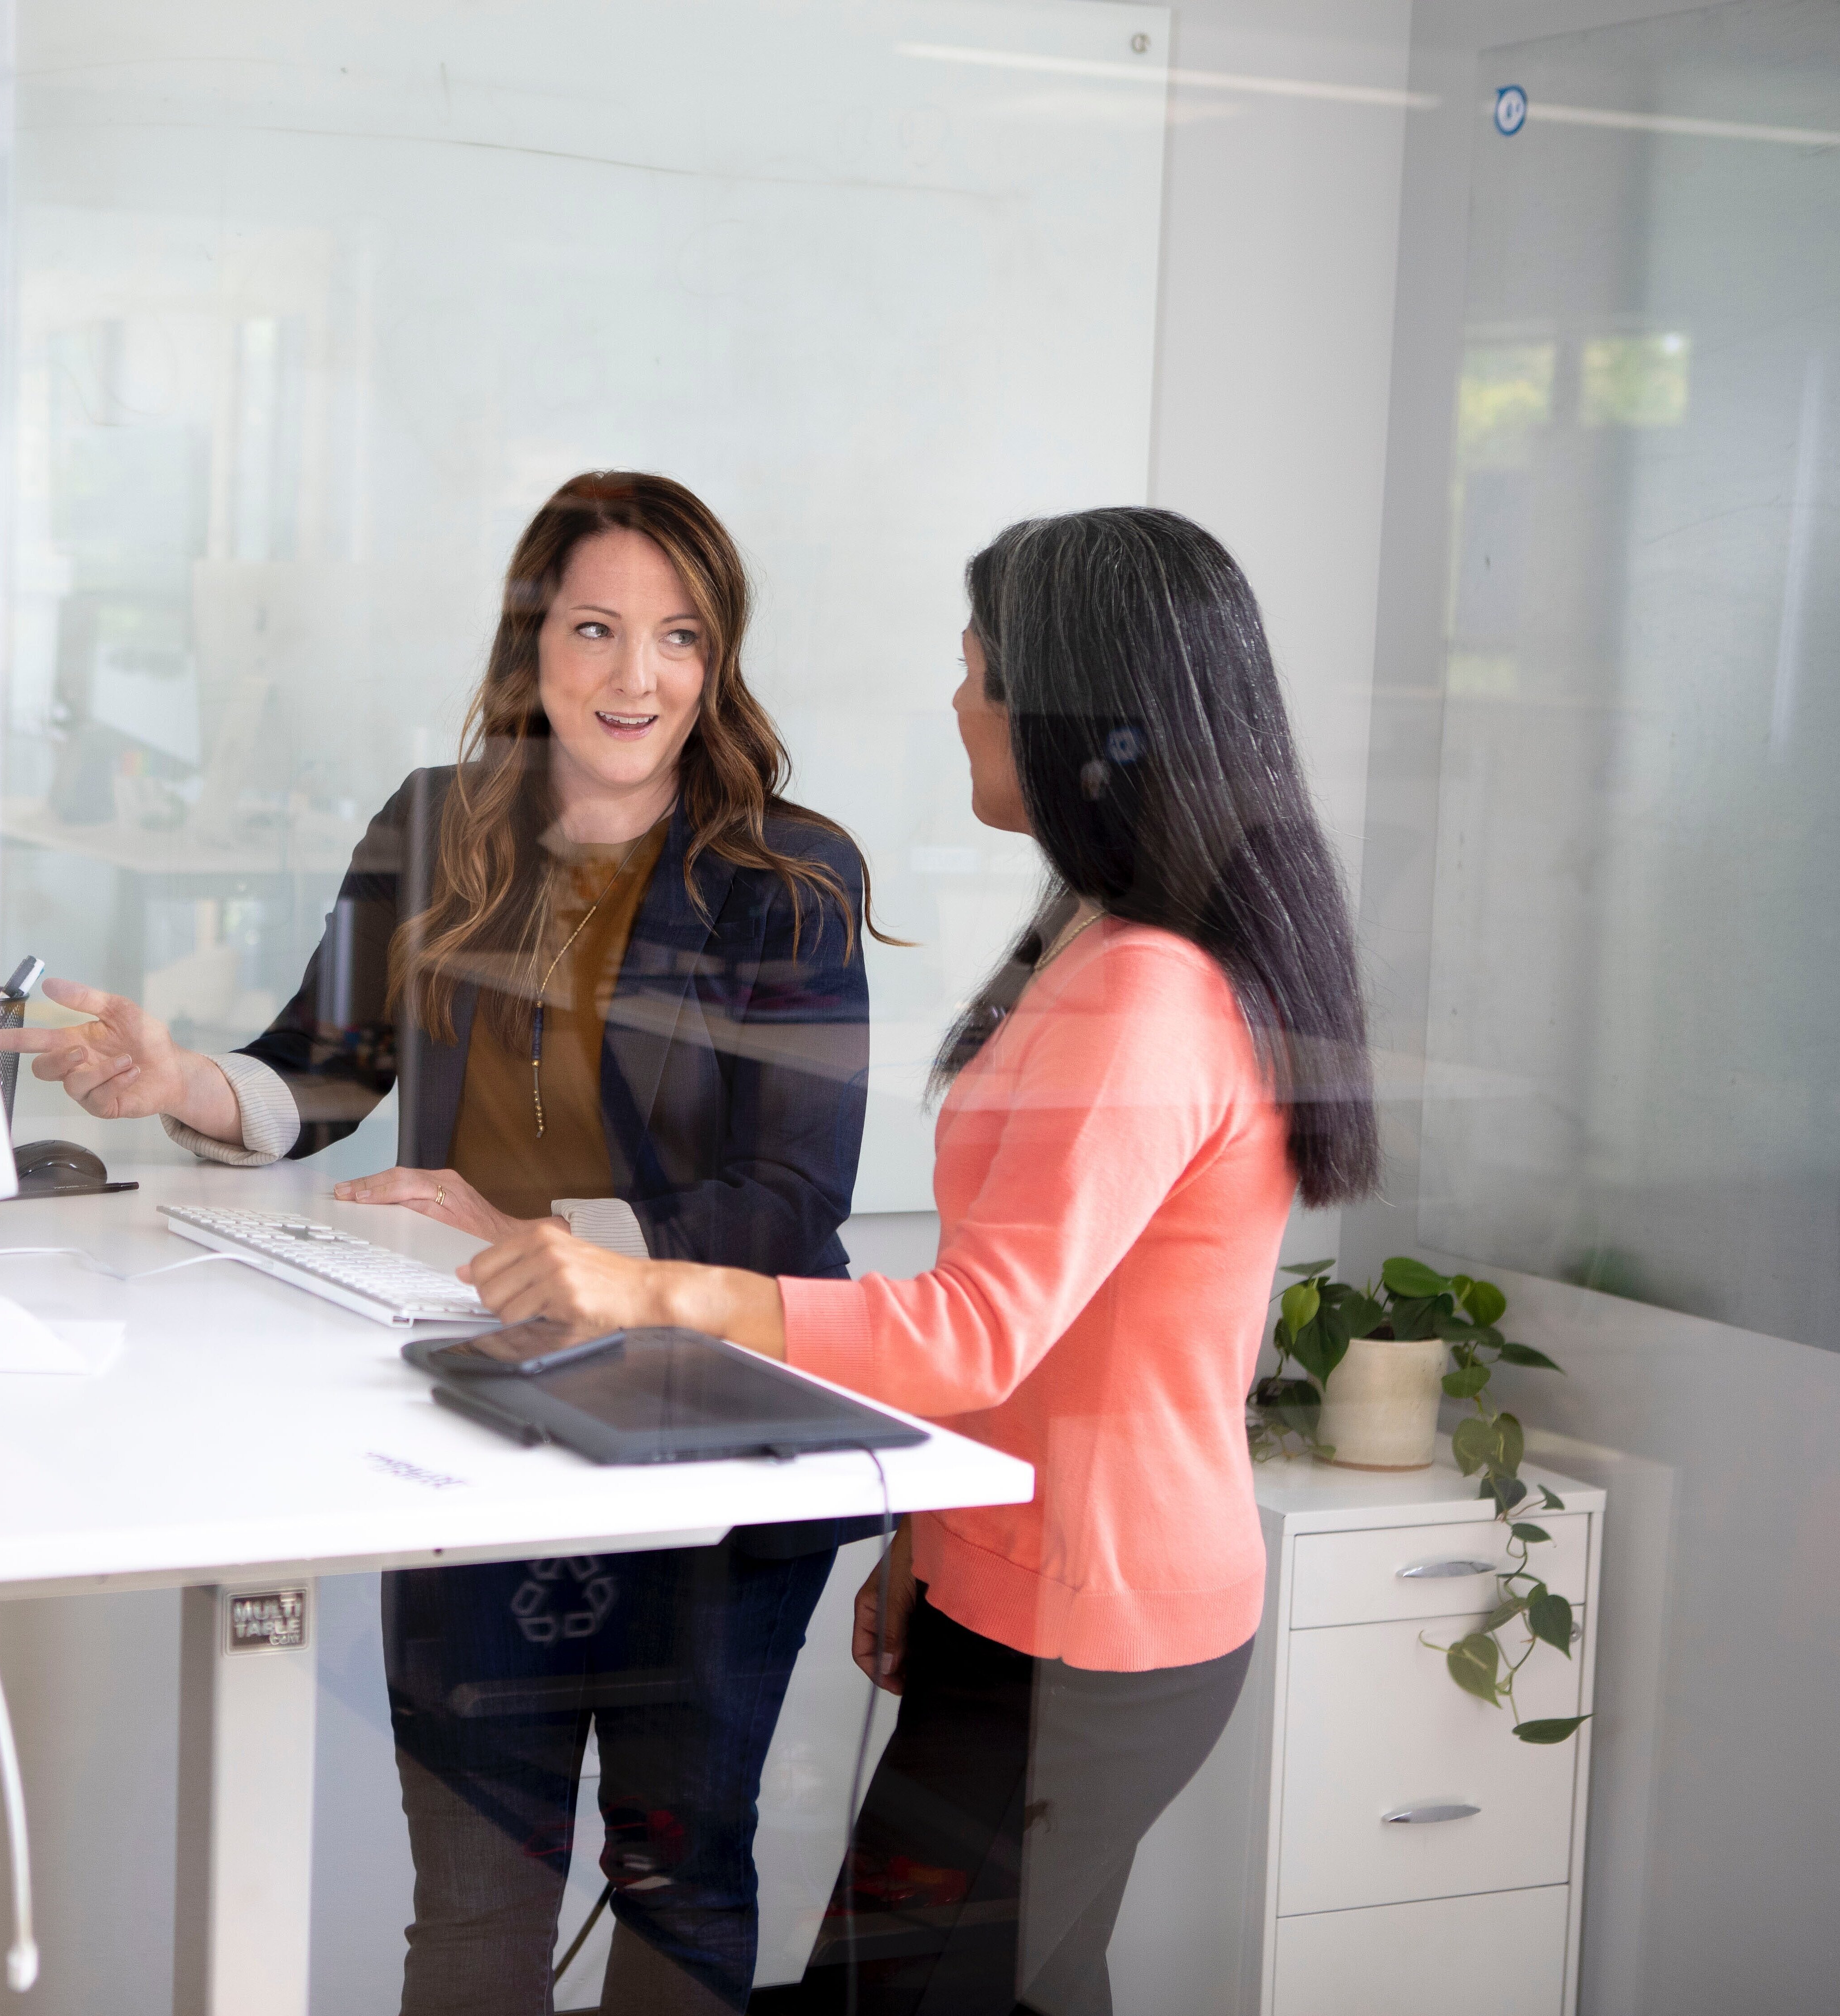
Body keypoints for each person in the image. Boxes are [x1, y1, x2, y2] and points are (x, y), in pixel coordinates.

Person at [456, 507, 1380, 2016]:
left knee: (893, 1992)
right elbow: (1053, 1321)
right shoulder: (1102, 933)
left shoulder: (1149, 987)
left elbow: (978, 1328)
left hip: (1092, 1626)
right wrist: (927, 1544)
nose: (959, 703)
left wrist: (641, 1284)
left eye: (979, 674)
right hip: (1028, 1591)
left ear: (1083, 718)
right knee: (1026, 1984)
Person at [0, 470, 891, 2015]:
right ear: (531, 643)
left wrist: (523, 1227)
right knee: (476, 1904)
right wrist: (179, 1081)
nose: (637, 677)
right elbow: (323, 1072)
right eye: (598, 629)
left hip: (712, 1424)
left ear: (718, 657)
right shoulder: (433, 824)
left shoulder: (789, 878)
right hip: (486, 1421)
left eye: (678, 638)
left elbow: (791, 1203)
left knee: (683, 1879)